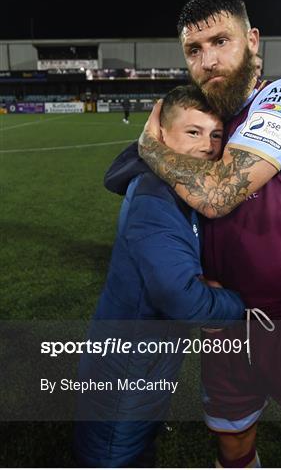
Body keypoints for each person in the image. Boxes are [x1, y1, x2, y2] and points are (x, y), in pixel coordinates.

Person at [106, 0, 281, 468]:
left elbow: (218, 194)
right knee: (233, 444)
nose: (207, 60)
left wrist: (151, 143)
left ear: (251, 40)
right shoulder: (207, 124)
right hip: (224, 320)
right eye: (194, 49)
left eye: (220, 41)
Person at [74, 85, 245, 468]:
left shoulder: (179, 187)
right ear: (162, 134)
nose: (207, 146)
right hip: (126, 369)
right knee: (112, 454)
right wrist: (241, 305)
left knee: (135, 448)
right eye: (194, 132)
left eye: (216, 135)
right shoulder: (155, 195)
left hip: (146, 361)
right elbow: (181, 297)